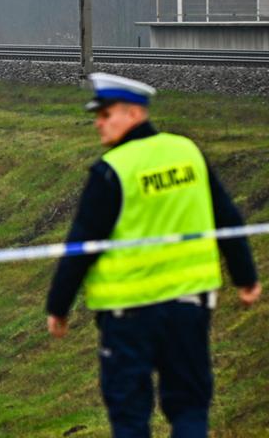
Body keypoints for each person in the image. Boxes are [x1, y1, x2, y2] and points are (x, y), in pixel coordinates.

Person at [46, 73, 260, 437]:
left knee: (129, 415)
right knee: (190, 406)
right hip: (188, 305)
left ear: (133, 114)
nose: (97, 123)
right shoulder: (186, 152)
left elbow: (82, 243)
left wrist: (58, 307)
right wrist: (245, 277)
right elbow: (227, 216)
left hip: (128, 314)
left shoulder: (112, 170)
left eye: (105, 114)